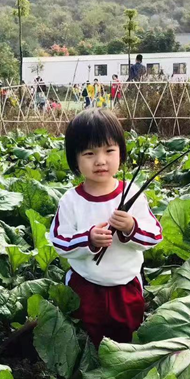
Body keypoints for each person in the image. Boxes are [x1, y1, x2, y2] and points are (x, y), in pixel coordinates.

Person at [48, 109, 163, 345]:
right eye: (89, 153)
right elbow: (59, 241)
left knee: (127, 337)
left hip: (126, 287)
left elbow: (154, 235)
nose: (100, 160)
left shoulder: (133, 194)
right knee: (86, 339)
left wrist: (131, 227)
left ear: (121, 152)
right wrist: (88, 240)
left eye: (109, 151)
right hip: (85, 286)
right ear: (75, 159)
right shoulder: (71, 200)